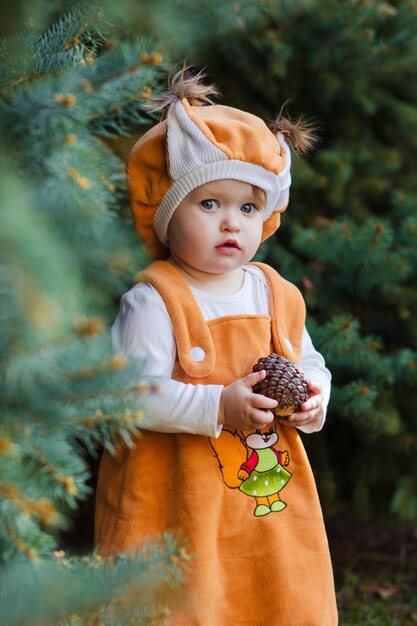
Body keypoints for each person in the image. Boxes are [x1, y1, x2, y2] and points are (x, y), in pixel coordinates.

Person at [95, 69, 338, 625]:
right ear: (167, 214)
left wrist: (313, 396)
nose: (231, 222)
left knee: (273, 587)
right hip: (173, 497)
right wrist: (217, 407)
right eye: (209, 205)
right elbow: (129, 398)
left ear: (266, 217)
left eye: (247, 209)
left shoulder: (275, 292)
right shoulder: (155, 300)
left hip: (263, 500)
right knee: (182, 601)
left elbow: (308, 360)